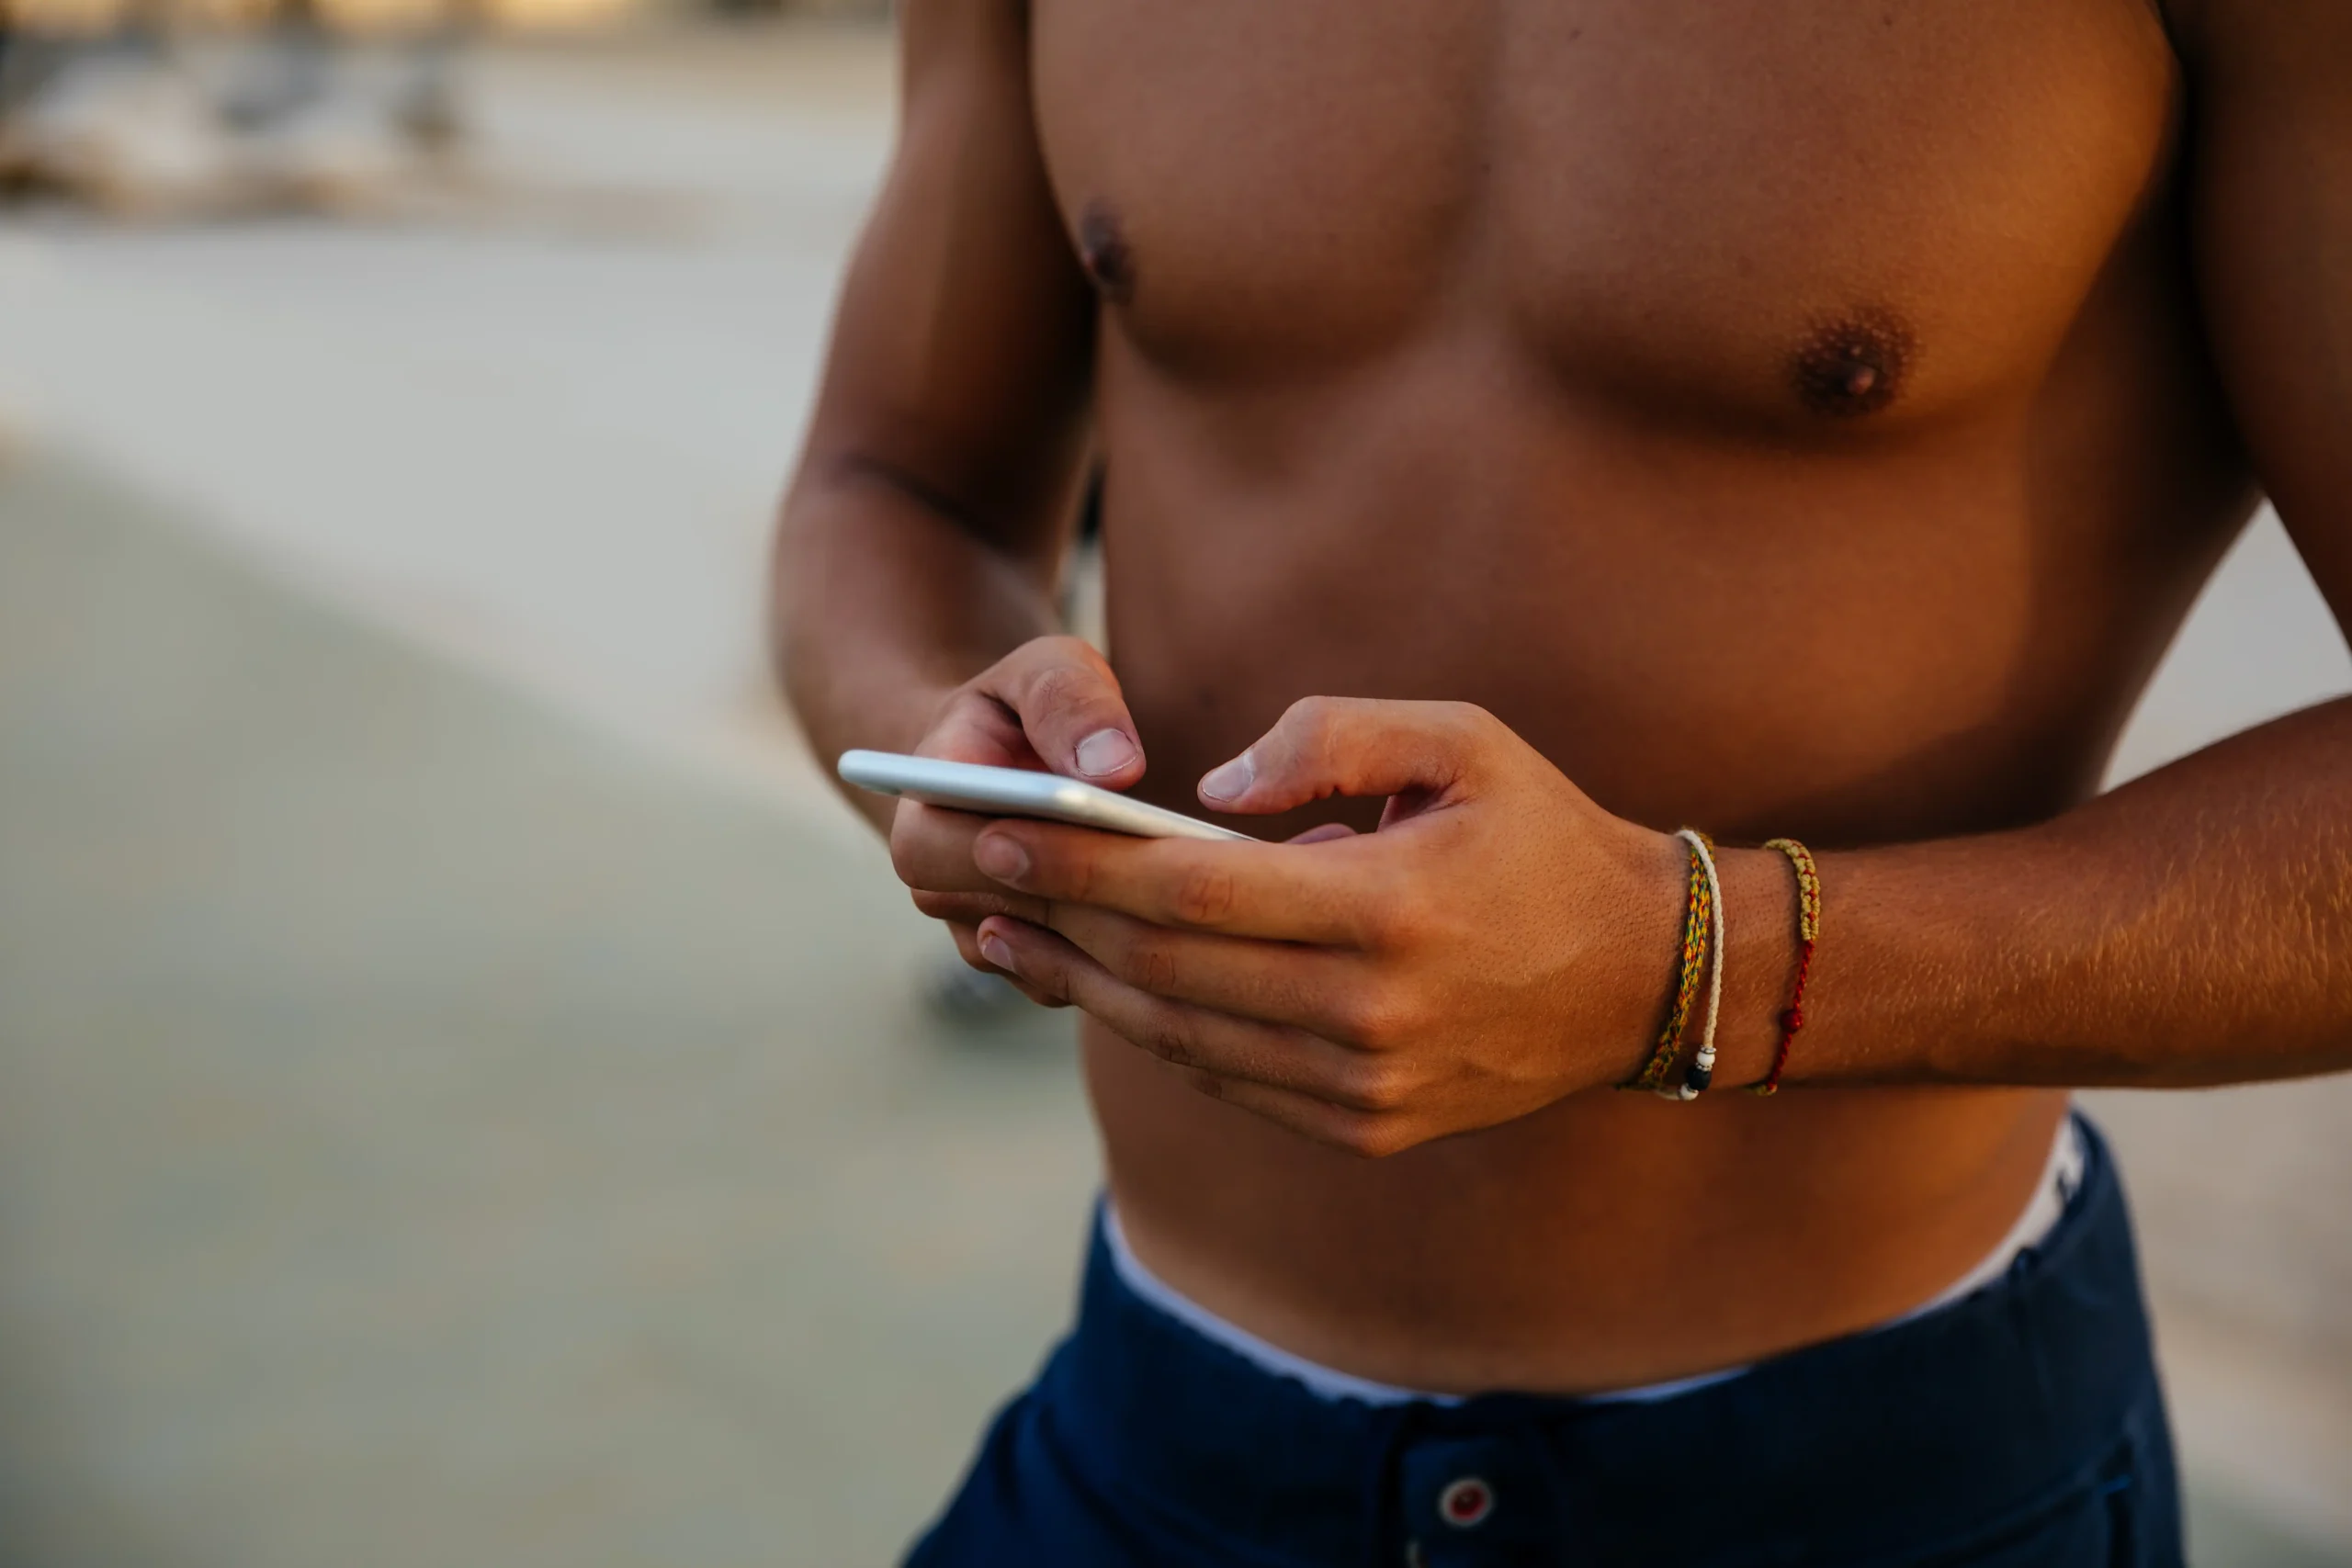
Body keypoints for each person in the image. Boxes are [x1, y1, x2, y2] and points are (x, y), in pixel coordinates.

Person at [773, 2, 2352, 1562]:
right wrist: (943, 737)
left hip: (1876, 1480)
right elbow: (892, 479)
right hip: (1160, 1432)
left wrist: (1689, 960)